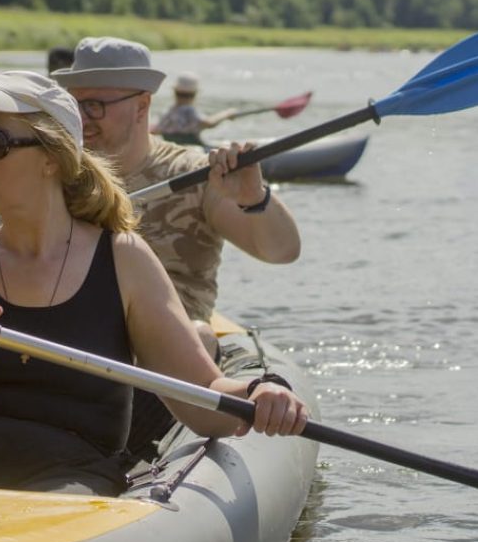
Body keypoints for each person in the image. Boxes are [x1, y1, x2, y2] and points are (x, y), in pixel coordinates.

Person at [0, 71, 308, 496]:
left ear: (53, 159)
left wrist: (262, 391)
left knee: (57, 516)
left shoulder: (124, 259)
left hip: (72, 469)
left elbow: (203, 397)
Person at [52, 37, 302, 454]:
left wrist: (252, 197)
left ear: (142, 106)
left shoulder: (196, 175)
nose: (82, 118)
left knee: (200, 336)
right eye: (74, 105)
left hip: (167, 360)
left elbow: (281, 251)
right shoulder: (56, 175)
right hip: (72, 345)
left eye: (95, 105)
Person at [153, 72, 239, 145]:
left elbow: (156, 130)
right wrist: (227, 114)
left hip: (174, 149)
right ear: (195, 95)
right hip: (192, 148)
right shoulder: (189, 111)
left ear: (175, 93)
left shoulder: (168, 112)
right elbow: (209, 123)